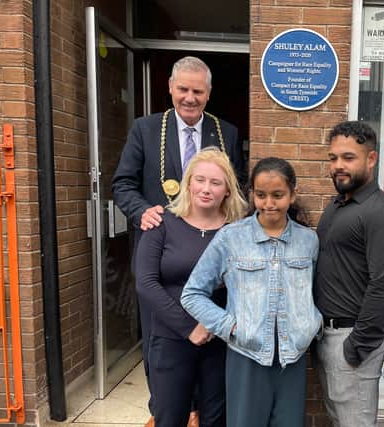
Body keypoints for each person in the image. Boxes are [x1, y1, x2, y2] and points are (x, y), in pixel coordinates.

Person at [111, 56, 244, 423]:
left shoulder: (226, 133)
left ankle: (200, 412)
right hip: (163, 248)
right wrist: (142, 211)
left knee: (213, 369)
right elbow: (122, 183)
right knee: (164, 350)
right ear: (170, 87)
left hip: (211, 247)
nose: (189, 97)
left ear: (209, 93)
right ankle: (167, 409)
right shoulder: (146, 129)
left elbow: (237, 186)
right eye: (182, 89)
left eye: (197, 91)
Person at [181, 157, 321, 427]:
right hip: (247, 355)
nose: (269, 203)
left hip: (292, 358)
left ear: (292, 194)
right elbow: (192, 293)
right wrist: (230, 326)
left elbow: (311, 290)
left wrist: (310, 323)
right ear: (251, 195)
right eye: (261, 195)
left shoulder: (308, 240)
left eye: (278, 195)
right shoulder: (231, 238)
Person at [135, 148, 247, 427]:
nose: (206, 189)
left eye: (215, 183)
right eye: (200, 180)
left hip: (220, 343)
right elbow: (146, 283)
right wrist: (189, 327)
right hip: (170, 340)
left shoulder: (238, 230)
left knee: (217, 419)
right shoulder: (162, 223)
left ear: (228, 191)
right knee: (170, 417)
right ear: (188, 183)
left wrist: (213, 325)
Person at [314, 121, 384, 427]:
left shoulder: (382, 213)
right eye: (333, 158)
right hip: (328, 336)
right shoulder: (338, 205)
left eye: (348, 157)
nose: (338, 166)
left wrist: (355, 348)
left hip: (352, 339)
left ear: (371, 159)